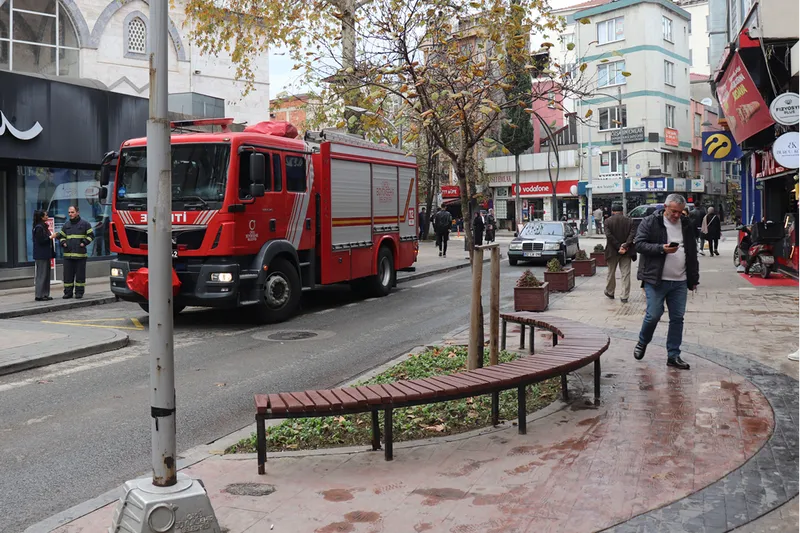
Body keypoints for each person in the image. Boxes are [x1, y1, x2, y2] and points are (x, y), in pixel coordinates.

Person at [633, 194, 699, 370]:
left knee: (677, 318)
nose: (677, 215)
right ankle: (642, 341)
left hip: (680, 281)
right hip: (655, 280)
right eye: (673, 211)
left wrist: (694, 278)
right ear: (665, 207)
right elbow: (639, 244)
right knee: (653, 314)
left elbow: (692, 251)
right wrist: (661, 249)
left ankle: (673, 355)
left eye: (680, 212)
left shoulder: (686, 224)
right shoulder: (650, 222)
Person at [57, 205, 94, 299]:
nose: (70, 214)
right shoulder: (66, 225)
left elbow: (91, 236)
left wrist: (84, 243)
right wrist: (63, 243)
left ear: (77, 212)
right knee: (67, 276)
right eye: (69, 212)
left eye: (72, 212)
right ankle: (68, 293)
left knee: (80, 276)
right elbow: (61, 236)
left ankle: (79, 292)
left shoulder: (85, 224)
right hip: (68, 255)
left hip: (80, 255)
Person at [603, 203, 635, 303]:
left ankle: (610, 291)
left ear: (612, 211)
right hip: (626, 251)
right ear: (622, 211)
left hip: (612, 251)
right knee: (626, 274)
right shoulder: (630, 221)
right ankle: (624, 296)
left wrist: (618, 246)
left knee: (611, 273)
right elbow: (632, 234)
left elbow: (609, 235)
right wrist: (625, 245)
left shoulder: (607, 221)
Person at [32, 210, 56, 302]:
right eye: (46, 215)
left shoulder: (43, 226)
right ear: (42, 217)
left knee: (46, 275)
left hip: (45, 254)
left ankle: (45, 294)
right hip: (41, 255)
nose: (47, 216)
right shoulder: (39, 227)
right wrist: (51, 237)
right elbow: (41, 240)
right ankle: (39, 294)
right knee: (42, 275)